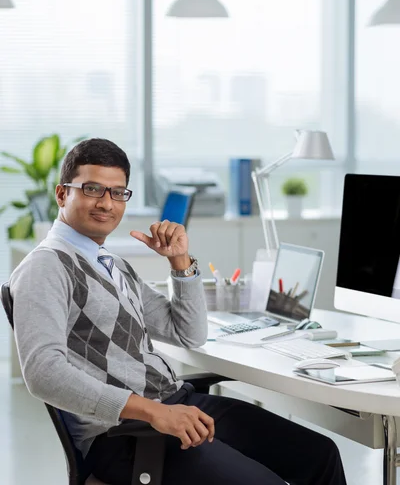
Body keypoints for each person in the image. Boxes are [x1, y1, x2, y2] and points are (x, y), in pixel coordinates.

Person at [9, 138, 347, 485]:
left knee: (320, 456)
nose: (106, 203)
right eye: (93, 189)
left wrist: (180, 263)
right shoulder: (46, 267)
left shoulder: (111, 264)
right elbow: (43, 373)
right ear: (62, 194)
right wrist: (154, 412)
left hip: (175, 405)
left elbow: (189, 332)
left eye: (118, 192)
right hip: (127, 434)